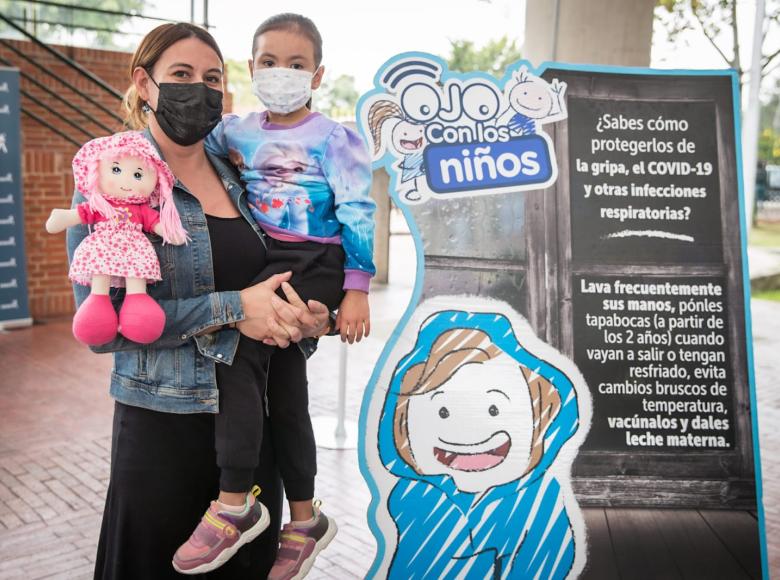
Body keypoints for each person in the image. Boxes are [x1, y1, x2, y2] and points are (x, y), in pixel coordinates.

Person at [65, 22, 331, 580]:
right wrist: (234, 308)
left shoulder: (239, 169)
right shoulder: (114, 178)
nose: (199, 89)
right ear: (144, 83)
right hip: (164, 425)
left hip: (250, 428)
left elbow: (283, 272)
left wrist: (306, 318)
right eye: (181, 75)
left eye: (213, 78)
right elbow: (104, 328)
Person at [174, 13, 375, 579]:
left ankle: (235, 501)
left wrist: (354, 290)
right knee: (287, 394)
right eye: (269, 62)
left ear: (317, 74)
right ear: (250, 66)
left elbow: (358, 210)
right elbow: (185, 152)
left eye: (296, 64)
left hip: (316, 260)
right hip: (268, 258)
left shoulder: (335, 138)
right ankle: (306, 518)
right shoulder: (234, 131)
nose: (281, 73)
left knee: (237, 357)